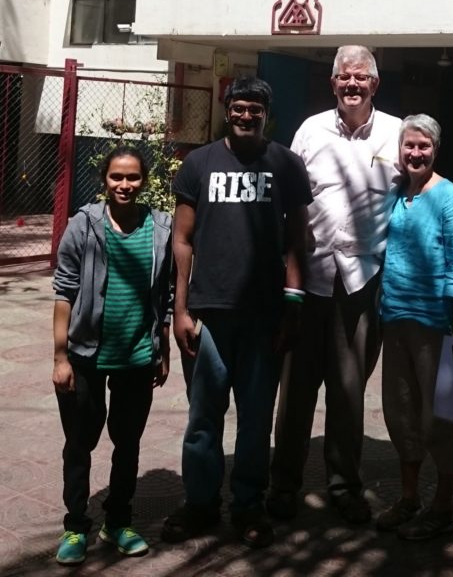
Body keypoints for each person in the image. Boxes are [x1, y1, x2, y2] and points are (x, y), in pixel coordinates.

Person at [161, 76, 311, 549]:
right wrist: (179, 309)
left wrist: (292, 306)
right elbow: (182, 240)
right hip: (209, 316)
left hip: (265, 316)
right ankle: (201, 503)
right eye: (239, 108)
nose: (246, 115)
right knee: (204, 415)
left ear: (267, 113)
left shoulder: (286, 164)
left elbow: (297, 241)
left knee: (255, 418)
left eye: (255, 109)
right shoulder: (199, 163)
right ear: (228, 110)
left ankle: (249, 504)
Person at [268, 45, 401, 524]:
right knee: (296, 392)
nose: (352, 84)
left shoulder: (395, 132)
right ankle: (283, 485)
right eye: (344, 77)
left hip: (363, 283)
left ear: (374, 84)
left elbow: (416, 192)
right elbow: (288, 203)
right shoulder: (310, 131)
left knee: (348, 394)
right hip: (311, 278)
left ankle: (344, 488)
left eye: (361, 77)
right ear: (332, 83)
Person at [52, 146, 172, 566]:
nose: (125, 185)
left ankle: (118, 520)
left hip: (138, 355)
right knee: (80, 442)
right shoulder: (84, 225)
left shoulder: (160, 227)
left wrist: (163, 345)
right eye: (117, 177)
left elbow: (166, 294)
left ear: (144, 180)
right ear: (104, 179)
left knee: (128, 442)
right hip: (85, 355)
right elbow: (64, 290)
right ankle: (75, 525)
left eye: (133, 177)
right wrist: (60, 356)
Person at [376, 114, 453, 541]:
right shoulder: (397, 194)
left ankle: (443, 505)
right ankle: (410, 497)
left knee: (442, 418)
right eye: (409, 146)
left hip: (435, 324)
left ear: (435, 149)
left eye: (423, 146)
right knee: (401, 415)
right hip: (394, 318)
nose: (415, 153)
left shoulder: (451, 197)